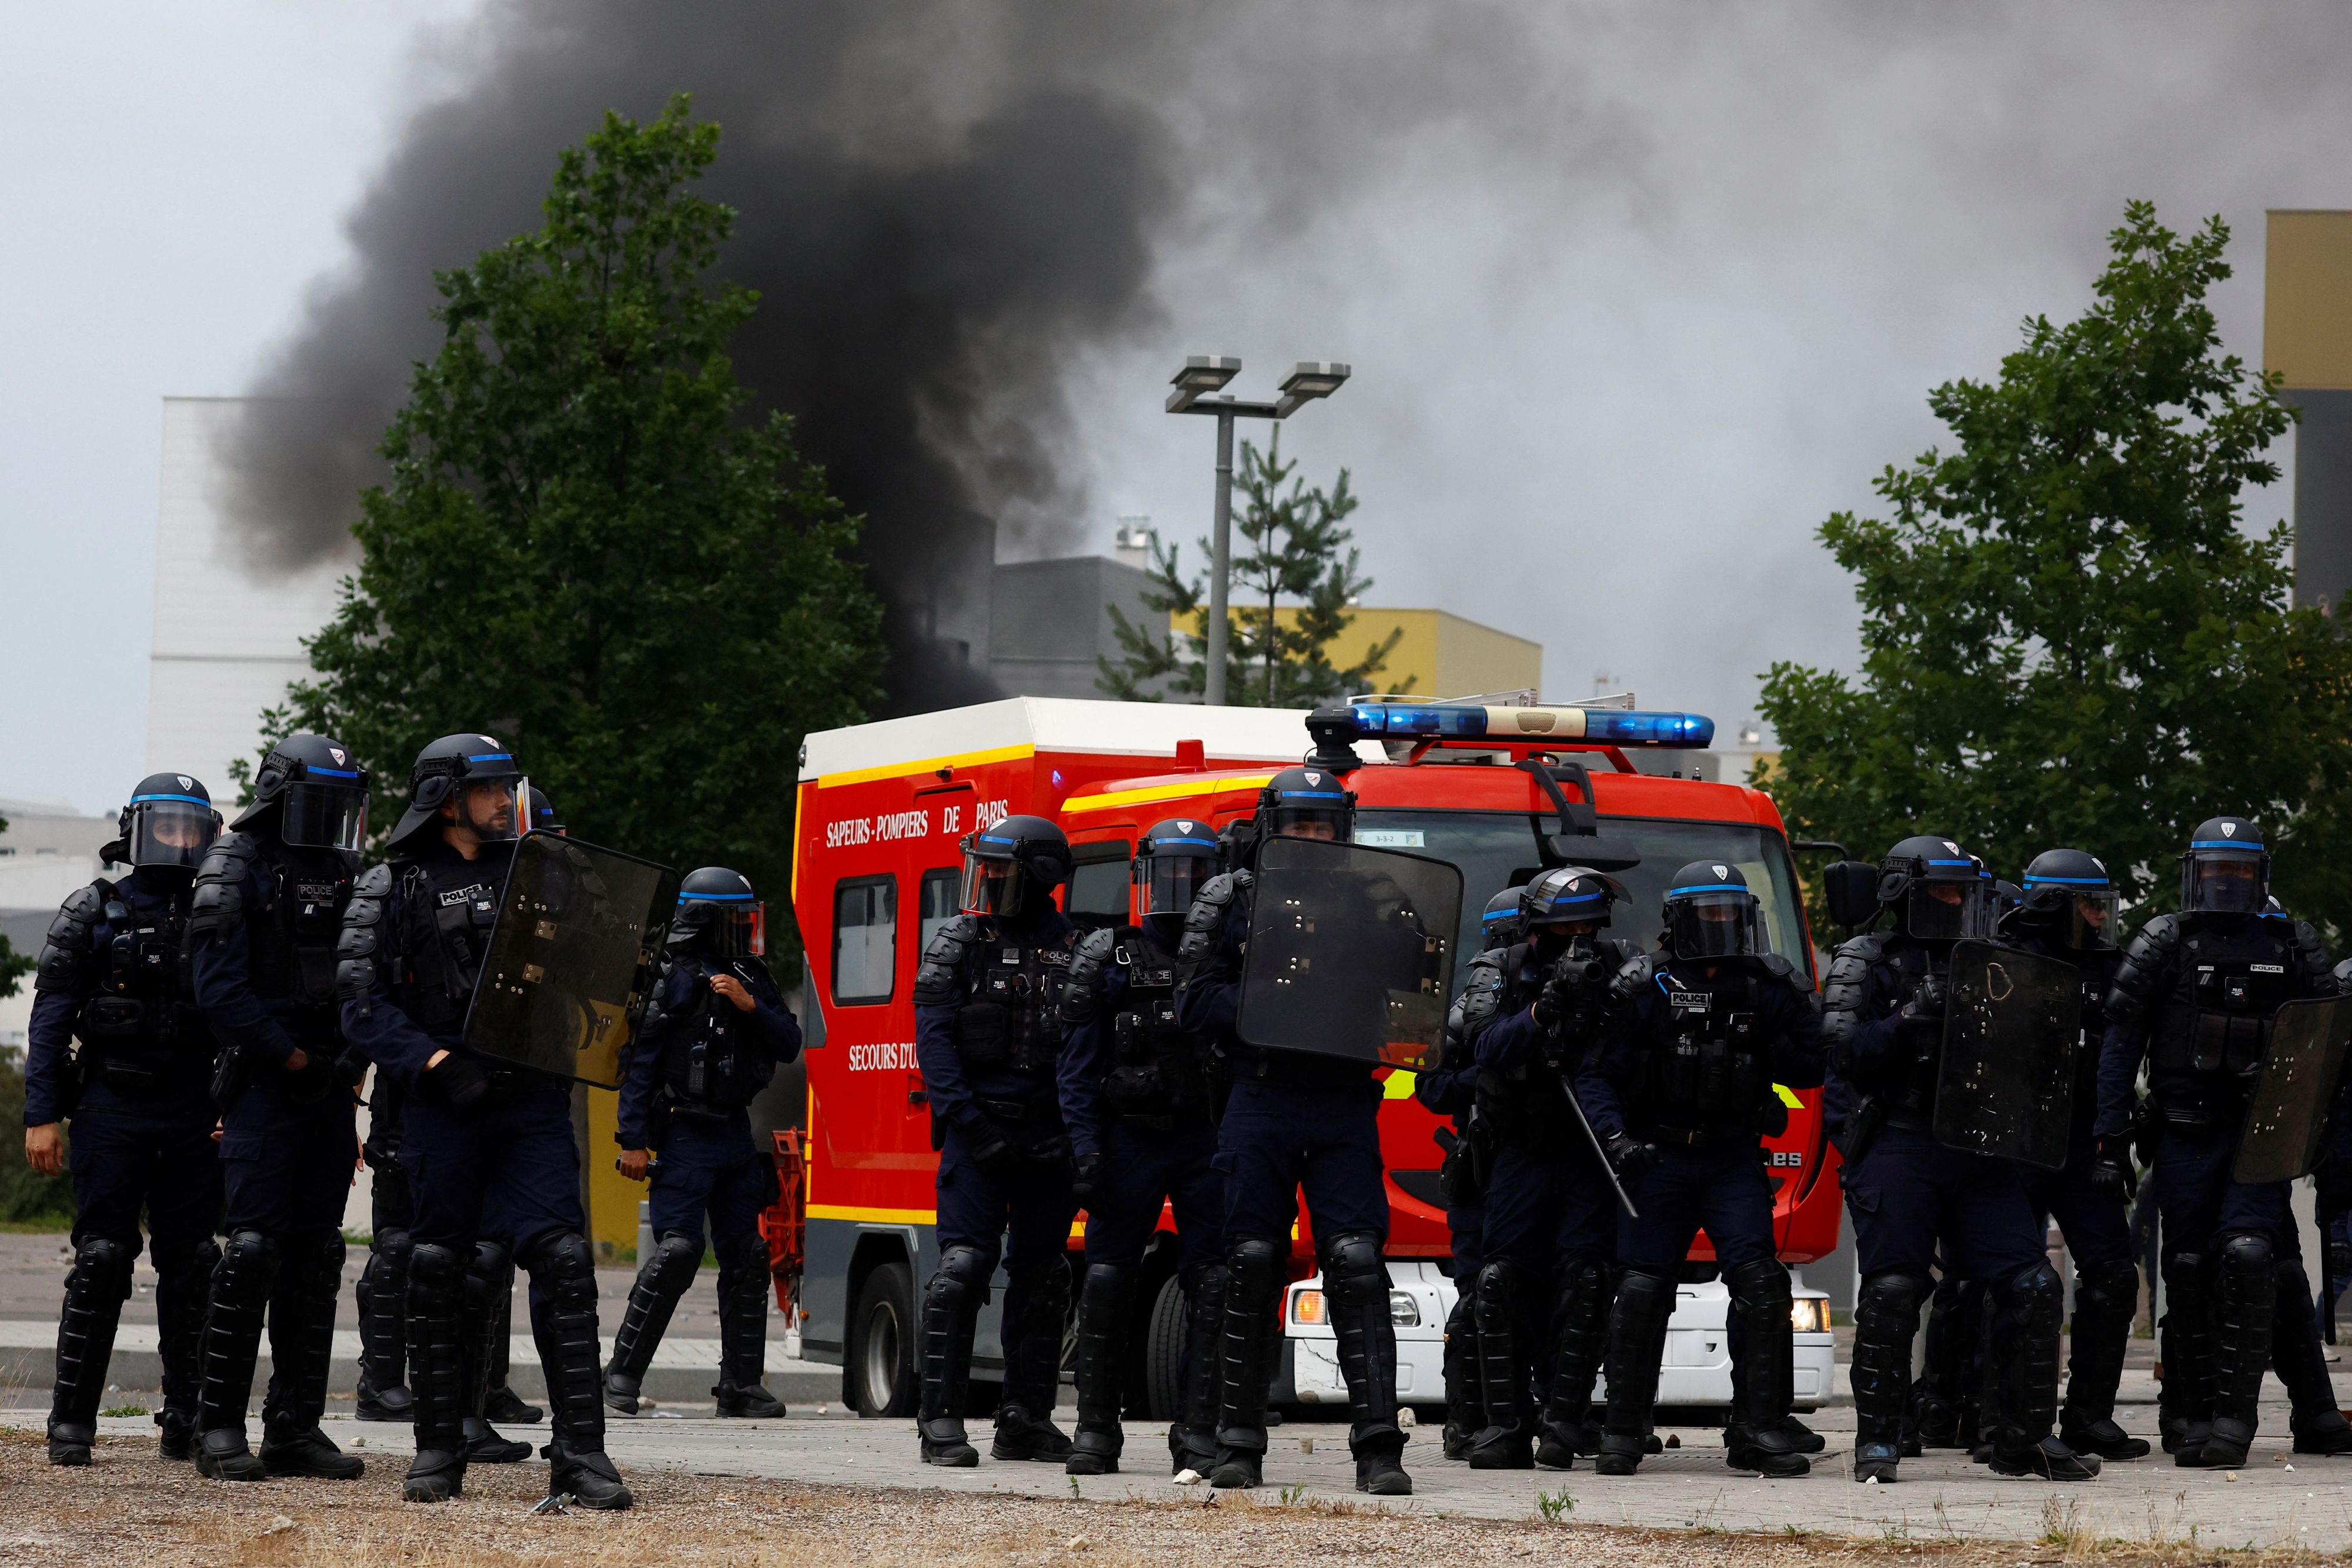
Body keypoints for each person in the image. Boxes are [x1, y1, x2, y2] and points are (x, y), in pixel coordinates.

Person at [338, 733, 631, 1507]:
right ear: (447, 796)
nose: (507, 802)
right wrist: (434, 1065)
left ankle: (583, 1454)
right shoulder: (391, 885)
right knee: (440, 1267)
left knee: (565, 1260)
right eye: (493, 789)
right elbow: (361, 1005)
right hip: (443, 1105)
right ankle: (438, 1450)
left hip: (531, 1100)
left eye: (509, 788)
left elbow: (604, 964)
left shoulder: (546, 874)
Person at [1824, 834, 2099, 1483]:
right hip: (1900, 1137)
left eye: (1965, 892)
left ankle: (2022, 1438)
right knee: (1893, 1292)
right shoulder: (1868, 961)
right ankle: (1880, 1441)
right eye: (1945, 892)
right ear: (1906, 895)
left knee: (2033, 1287)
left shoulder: (1995, 960)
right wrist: (1909, 1018)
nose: (1958, 903)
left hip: (1979, 1145)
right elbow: (1842, 1053)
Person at [1176, 764, 1412, 1497]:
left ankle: (1379, 1448)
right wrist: (1269, 1008)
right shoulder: (1230, 900)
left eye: (1324, 824)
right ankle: (1238, 1443)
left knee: (1357, 1262)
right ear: (1272, 827)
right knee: (1249, 1261)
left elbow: (1421, 990)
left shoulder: (1378, 896)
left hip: (1342, 1098)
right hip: (1262, 1093)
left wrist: (1392, 935)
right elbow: (1193, 1001)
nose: (1313, 836)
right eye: (1300, 824)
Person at [2095, 817, 2347, 1467]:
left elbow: (2330, 1046)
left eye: (2238, 871)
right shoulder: (2163, 942)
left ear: (2258, 874)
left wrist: (2316, 1132)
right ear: (2193, 872)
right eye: (2215, 870)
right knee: (2189, 1270)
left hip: (2260, 1136)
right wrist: (2110, 1135)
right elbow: (2120, 1043)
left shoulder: (2293, 945)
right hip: (2183, 1137)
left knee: (2249, 1256)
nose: (2225, 884)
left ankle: (2234, 1421)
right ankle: (2188, 1412)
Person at [1578, 861, 1826, 1477]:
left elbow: (1813, 1064)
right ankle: (1624, 1426)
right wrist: (1614, 1139)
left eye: (1731, 914)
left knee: (1761, 1284)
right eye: (1709, 915)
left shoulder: (1766, 985)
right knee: (1640, 1290)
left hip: (1730, 1156)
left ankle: (1756, 1428)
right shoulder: (1643, 987)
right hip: (1656, 1155)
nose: (1721, 927)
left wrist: (1791, 1027)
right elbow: (1595, 1075)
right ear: (1680, 920)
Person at [24, 773, 226, 1466]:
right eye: (165, 825)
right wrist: (42, 1114)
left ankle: (187, 1416)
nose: (178, 838)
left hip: (196, 1110)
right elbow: (50, 1018)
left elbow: (242, 1023)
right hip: (112, 1107)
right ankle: (72, 1421)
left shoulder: (223, 913)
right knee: (104, 1257)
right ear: (137, 829)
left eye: (190, 827)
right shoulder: (93, 909)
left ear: (210, 834)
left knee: (194, 1261)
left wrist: (237, 1110)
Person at [183, 740, 370, 1485]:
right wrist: (289, 1056)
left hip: (330, 1083)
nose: (328, 814)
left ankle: (295, 1427)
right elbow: (218, 991)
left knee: (317, 1253)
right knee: (253, 1248)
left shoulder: (346, 872)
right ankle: (217, 1426)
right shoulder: (234, 865)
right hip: (265, 1079)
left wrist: (347, 1062)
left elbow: (371, 975)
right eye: (316, 796)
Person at [1057, 818, 1228, 1477]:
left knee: (1213, 1283)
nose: (1180, 892)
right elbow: (1075, 1066)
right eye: (1169, 875)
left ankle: (1199, 1433)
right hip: (1128, 1141)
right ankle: (1096, 1429)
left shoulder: (1228, 956)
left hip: (1202, 1140)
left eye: (1195, 876)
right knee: (1105, 1280)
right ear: (1143, 880)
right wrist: (1087, 1152)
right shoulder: (1109, 955)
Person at [910, 815, 1081, 1467]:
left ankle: (1024, 1419)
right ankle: (941, 1421)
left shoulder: (1083, 948)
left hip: (1051, 1138)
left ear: (1038, 874)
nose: (989, 877)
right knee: (961, 1272)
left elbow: (1090, 1051)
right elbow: (934, 1045)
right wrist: (973, 1128)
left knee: (1043, 1276)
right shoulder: (960, 943)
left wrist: (1074, 1134)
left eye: (1001, 867)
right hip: (977, 1131)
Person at [1461, 866, 1639, 1472]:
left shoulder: (1620, 963)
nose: (1580, 938)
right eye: (1567, 928)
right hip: (1522, 1146)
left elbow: (1638, 1049)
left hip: (1590, 1150)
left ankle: (1564, 1422)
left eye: (1589, 926)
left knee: (1588, 1281)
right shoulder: (1503, 970)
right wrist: (1539, 1013)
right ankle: (1505, 1425)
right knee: (1501, 1281)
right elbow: (1480, 1047)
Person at [606, 866, 801, 1419]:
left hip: (733, 1132)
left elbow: (789, 1041)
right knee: (678, 1251)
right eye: (735, 917)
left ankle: (740, 1385)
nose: (745, 926)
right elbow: (640, 1064)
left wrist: (748, 1004)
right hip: (685, 1131)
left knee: (748, 1254)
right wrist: (633, 1140)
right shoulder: (672, 975)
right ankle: (621, 1374)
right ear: (707, 920)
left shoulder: (750, 975)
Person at [2002, 848, 2148, 1462]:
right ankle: (1999, 1420)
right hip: (2015, 1143)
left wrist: (2116, 1141)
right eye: (2085, 905)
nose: (2096, 917)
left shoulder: (2114, 968)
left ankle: (2089, 1416)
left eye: (2101, 906)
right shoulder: (2003, 963)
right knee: (2010, 1280)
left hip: (2085, 1141)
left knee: (2113, 1274)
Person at [1418, 888, 1522, 1462]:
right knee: (1478, 1295)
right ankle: (1467, 1417)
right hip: (1480, 1173)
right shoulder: (1460, 1012)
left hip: (1540, 1170)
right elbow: (1430, 1090)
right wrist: (1484, 1078)